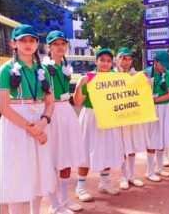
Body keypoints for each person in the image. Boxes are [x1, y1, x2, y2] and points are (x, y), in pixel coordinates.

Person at [0, 24, 56, 214]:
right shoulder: (6, 69)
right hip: (16, 125)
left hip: (39, 123)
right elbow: (3, 106)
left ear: (37, 44)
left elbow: (50, 102)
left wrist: (42, 124)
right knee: (19, 177)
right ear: (13, 43)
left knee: (37, 174)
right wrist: (30, 128)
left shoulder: (44, 70)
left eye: (32, 40)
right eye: (22, 40)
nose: (27, 44)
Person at [73, 48, 125, 201]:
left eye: (109, 61)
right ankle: (80, 187)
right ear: (96, 61)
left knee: (107, 149)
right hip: (91, 116)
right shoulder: (88, 78)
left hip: (109, 117)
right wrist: (80, 84)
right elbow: (77, 102)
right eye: (102, 60)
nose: (105, 63)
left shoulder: (116, 77)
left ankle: (104, 182)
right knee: (86, 150)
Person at [43, 30, 85, 212]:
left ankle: (64, 198)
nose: (60, 47)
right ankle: (54, 204)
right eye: (55, 44)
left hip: (66, 109)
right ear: (49, 47)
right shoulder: (43, 67)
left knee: (66, 155)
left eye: (62, 44)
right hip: (52, 111)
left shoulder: (65, 66)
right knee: (53, 157)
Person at [114, 47, 147, 190]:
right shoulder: (111, 74)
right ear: (118, 59)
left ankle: (132, 176)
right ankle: (123, 176)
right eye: (123, 58)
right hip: (118, 117)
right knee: (122, 147)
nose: (126, 61)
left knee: (132, 145)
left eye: (129, 59)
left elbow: (146, 89)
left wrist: (145, 80)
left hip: (132, 115)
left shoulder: (135, 74)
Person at [143, 51, 169, 182]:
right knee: (152, 139)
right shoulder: (145, 73)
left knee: (162, 137)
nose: (164, 67)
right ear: (155, 62)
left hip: (165, 108)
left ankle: (159, 167)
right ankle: (149, 171)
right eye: (162, 64)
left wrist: (155, 100)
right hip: (150, 110)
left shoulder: (168, 74)